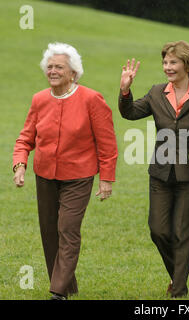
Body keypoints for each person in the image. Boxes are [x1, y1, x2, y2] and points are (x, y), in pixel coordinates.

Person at [13, 42, 118, 300]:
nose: (53, 71)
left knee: (67, 228)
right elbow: (25, 138)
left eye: (59, 67)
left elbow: (107, 143)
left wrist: (106, 179)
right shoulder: (39, 99)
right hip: (45, 174)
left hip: (78, 177)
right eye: (49, 67)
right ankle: (67, 286)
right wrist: (20, 164)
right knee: (49, 231)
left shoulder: (91, 99)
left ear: (73, 72)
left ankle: (58, 292)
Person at [118, 41, 189, 298]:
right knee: (158, 229)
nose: (168, 67)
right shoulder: (156, 92)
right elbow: (130, 113)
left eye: (173, 62)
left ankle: (178, 290)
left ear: (187, 65)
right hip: (161, 172)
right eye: (165, 62)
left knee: (183, 233)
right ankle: (180, 271)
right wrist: (125, 90)